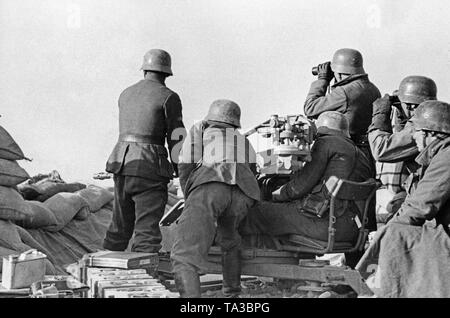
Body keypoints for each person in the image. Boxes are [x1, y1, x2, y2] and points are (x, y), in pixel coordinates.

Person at [356, 101, 450, 297]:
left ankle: (378, 289)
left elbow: (419, 207)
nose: (412, 137)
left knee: (394, 235)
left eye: (414, 131)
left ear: (429, 133)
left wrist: (387, 232)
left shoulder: (446, 158)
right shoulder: (441, 155)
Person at [240, 111, 374, 249]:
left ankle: (230, 255)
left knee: (254, 213)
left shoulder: (326, 142)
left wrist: (271, 195)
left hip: (323, 225)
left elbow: (299, 188)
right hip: (351, 229)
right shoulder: (361, 154)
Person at [170, 99, 260, 298]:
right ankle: (231, 295)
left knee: (184, 256)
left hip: (211, 186)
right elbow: (254, 172)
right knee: (230, 242)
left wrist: (190, 198)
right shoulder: (242, 139)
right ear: (235, 122)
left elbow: (185, 164)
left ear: (210, 117)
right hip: (244, 194)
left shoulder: (200, 129)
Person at [103, 49, 186, 253]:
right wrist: (180, 170)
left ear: (145, 70)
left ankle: (102, 275)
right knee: (146, 233)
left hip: (122, 165)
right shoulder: (169, 97)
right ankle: (143, 281)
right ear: (166, 73)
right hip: (149, 168)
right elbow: (176, 137)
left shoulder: (126, 93)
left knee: (118, 229)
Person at [368, 76, 437, 218]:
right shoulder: (434, 120)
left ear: (411, 106)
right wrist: (401, 115)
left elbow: (381, 150)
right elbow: (402, 144)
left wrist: (380, 115)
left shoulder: (421, 127)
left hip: (423, 194)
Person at [304, 48, 381, 167]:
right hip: (368, 155)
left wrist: (322, 80)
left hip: (347, 155)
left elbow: (310, 108)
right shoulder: (373, 89)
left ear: (339, 73)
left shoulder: (344, 93)